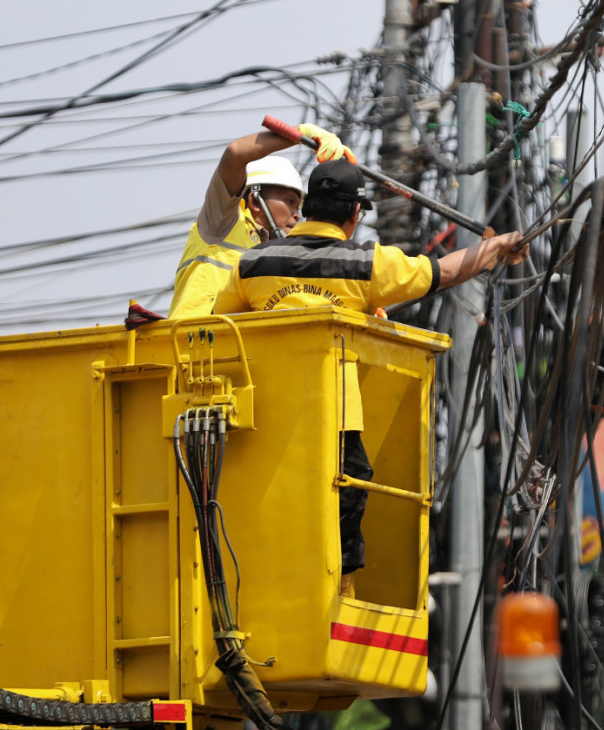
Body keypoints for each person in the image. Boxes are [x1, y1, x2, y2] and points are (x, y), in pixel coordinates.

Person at [213, 159, 528, 596]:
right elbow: (447, 272)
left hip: (259, 417)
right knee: (348, 492)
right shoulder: (364, 265)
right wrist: (499, 245)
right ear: (355, 214)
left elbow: (218, 326)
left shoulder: (252, 264)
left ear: (309, 207)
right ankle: (341, 593)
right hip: (333, 419)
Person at [167, 123, 354, 319]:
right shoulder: (223, 223)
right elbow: (235, 155)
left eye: (298, 207)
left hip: (236, 338)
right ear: (255, 201)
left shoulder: (280, 259)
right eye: (290, 201)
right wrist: (299, 135)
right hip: (191, 335)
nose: (297, 215)